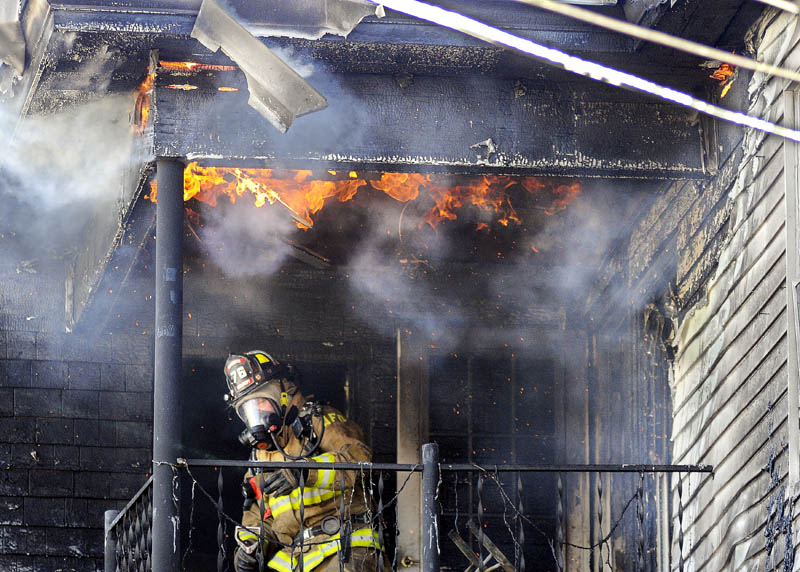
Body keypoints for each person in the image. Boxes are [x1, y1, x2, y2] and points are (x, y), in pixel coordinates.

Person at [224, 350, 384, 572]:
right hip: (297, 559)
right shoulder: (259, 457)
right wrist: (251, 547)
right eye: (249, 409)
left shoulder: (319, 419)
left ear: (282, 394)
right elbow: (258, 517)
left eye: (262, 401)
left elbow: (359, 459)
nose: (257, 413)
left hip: (345, 548)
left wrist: (306, 473)